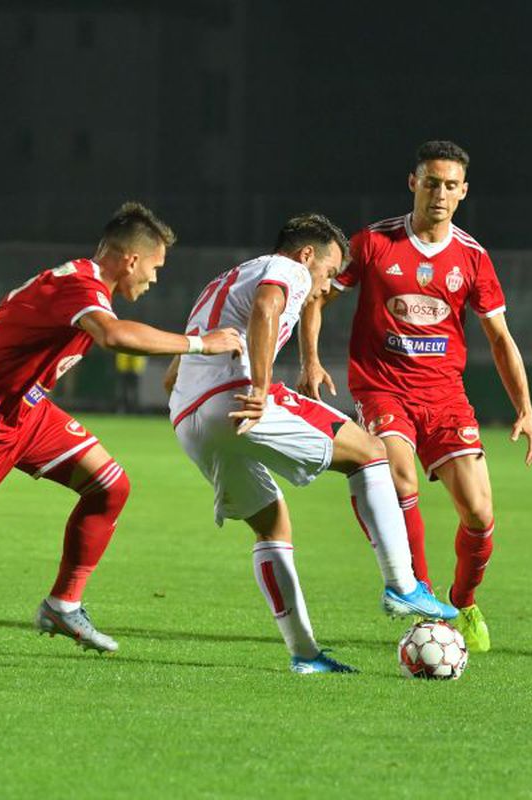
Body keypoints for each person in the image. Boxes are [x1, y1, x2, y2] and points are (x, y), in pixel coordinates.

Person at [0, 202, 242, 659]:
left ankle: (63, 604)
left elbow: (21, 318)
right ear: (131, 259)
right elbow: (114, 337)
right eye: (155, 267)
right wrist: (202, 345)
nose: (155, 279)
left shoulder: (75, 285)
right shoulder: (81, 288)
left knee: (110, 486)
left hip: (28, 416)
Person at [164, 212, 457, 675]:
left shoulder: (223, 282)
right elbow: (266, 307)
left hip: (188, 420)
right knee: (371, 453)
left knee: (271, 525)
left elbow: (172, 375)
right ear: (306, 255)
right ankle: (402, 585)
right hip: (238, 397)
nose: (325, 285)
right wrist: (260, 387)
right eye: (328, 271)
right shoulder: (288, 269)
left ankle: (304, 654)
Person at [297, 141, 532, 653]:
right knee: (398, 470)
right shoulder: (373, 243)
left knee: (478, 514)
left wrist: (526, 409)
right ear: (413, 183)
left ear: (464, 192)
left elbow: (500, 338)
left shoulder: (472, 257)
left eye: (451, 185)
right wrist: (311, 360)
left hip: (446, 395)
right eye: (431, 182)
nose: (440, 193)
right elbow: (316, 298)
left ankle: (464, 600)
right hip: (382, 386)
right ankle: (418, 592)